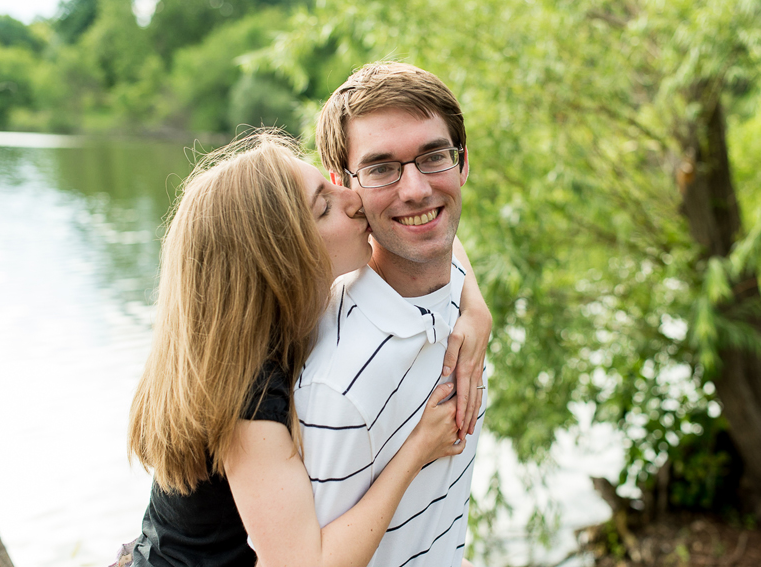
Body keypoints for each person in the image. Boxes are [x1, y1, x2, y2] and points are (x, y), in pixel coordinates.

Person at [122, 129, 491, 567]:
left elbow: (434, 233)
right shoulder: (249, 395)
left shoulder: (270, 318)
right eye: (324, 206)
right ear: (284, 256)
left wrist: (475, 307)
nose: (352, 199)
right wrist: (418, 448)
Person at [294, 62, 490, 567]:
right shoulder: (337, 384)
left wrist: (475, 302)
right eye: (382, 168)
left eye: (434, 157)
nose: (416, 190)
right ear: (344, 186)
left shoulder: (457, 306)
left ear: (463, 163)